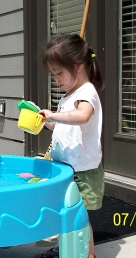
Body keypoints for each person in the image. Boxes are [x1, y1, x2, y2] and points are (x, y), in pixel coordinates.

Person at [39, 34, 104, 258]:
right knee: (65, 212)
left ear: (77, 66)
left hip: (82, 170)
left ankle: (88, 253)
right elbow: (66, 127)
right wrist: (47, 122)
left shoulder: (87, 92)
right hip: (67, 167)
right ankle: (68, 247)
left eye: (59, 73)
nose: (56, 79)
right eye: (53, 74)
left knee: (78, 216)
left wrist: (55, 115)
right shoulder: (69, 95)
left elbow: (83, 116)